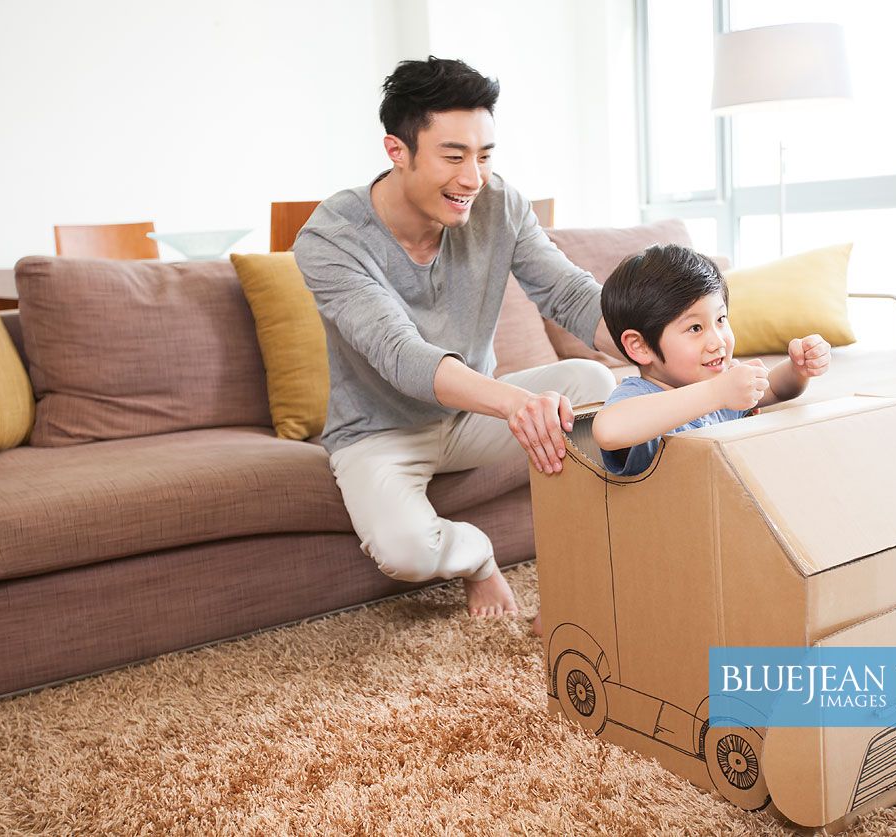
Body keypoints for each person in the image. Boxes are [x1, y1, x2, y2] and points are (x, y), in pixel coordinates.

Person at [293, 57, 619, 626]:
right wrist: (517, 405)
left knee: (593, 383)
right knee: (406, 551)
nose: (473, 178)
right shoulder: (331, 237)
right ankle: (477, 558)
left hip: (471, 416)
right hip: (380, 432)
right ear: (397, 151)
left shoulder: (500, 204)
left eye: (485, 156)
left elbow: (568, 293)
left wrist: (662, 343)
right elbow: (399, 354)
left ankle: (588, 569)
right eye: (453, 156)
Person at [592, 244, 831, 475]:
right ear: (640, 346)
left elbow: (777, 389)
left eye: (720, 319)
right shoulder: (640, 396)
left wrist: (798, 368)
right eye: (695, 328)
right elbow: (608, 430)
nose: (718, 341)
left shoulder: (724, 385)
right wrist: (717, 393)